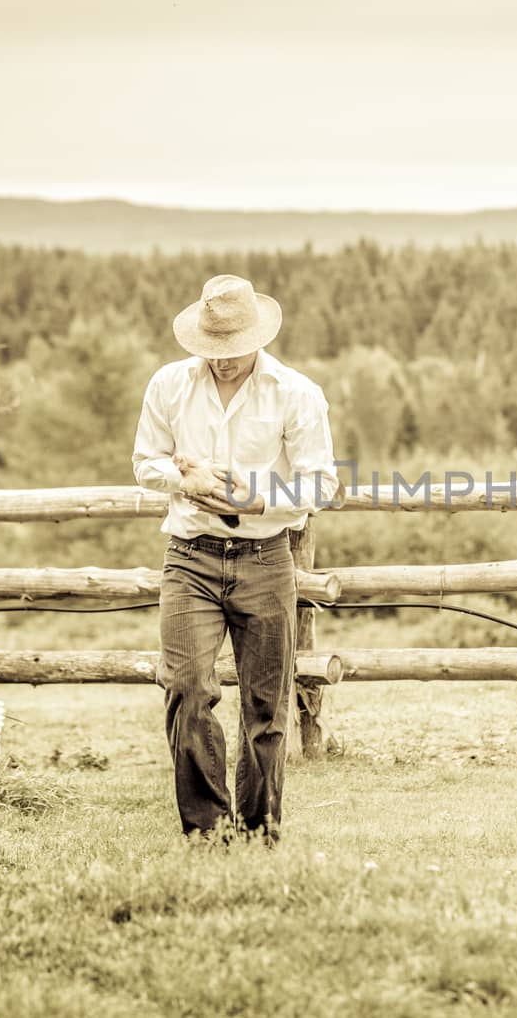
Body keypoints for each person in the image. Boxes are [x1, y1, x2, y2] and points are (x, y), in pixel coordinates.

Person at [132, 274, 338, 842]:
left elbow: (320, 485)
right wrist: (182, 475)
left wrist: (259, 497)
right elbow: (143, 461)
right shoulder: (169, 385)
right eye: (210, 350)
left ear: (257, 336)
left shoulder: (296, 393)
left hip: (266, 557)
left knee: (267, 705)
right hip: (190, 555)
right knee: (186, 688)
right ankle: (205, 829)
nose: (220, 361)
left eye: (230, 350)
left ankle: (259, 828)